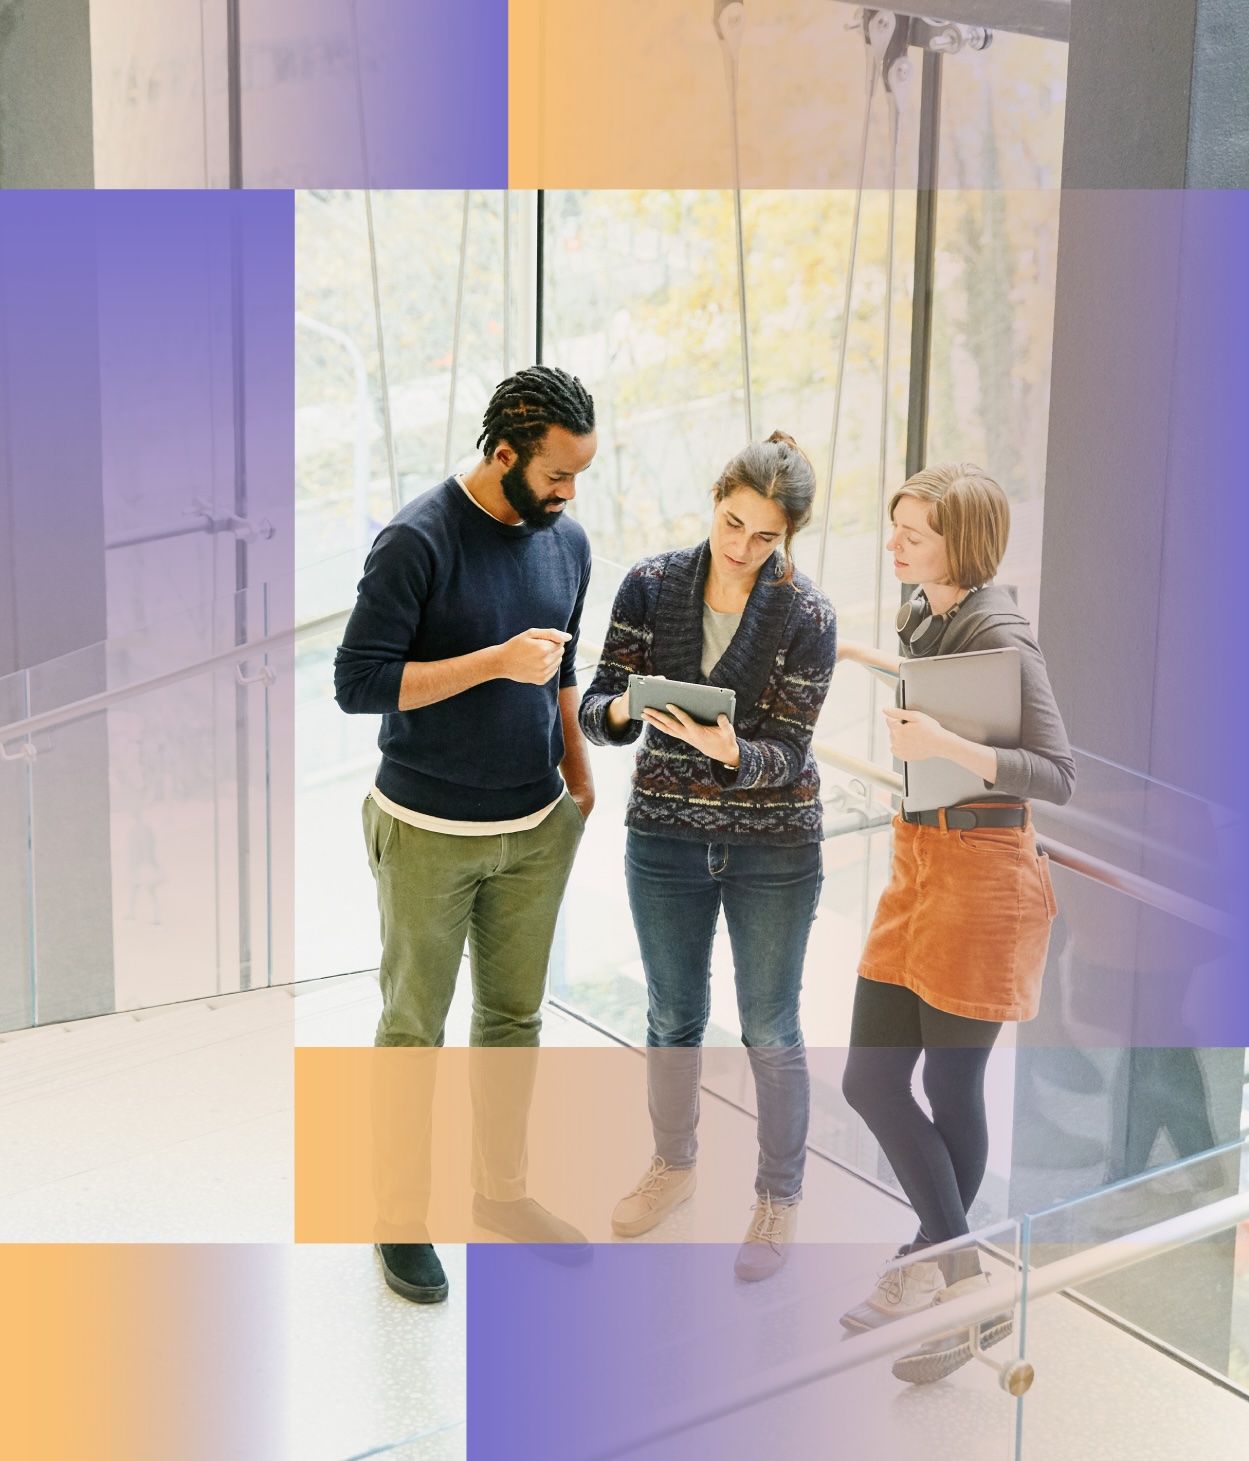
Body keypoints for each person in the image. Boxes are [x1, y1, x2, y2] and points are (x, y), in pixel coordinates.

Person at [333, 365, 598, 1304]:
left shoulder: (566, 542)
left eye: (578, 476)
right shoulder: (416, 539)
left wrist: (576, 761)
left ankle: (503, 1193)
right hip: (427, 831)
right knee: (414, 1030)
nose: (569, 494)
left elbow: (564, 665)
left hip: (535, 825)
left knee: (514, 1019)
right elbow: (358, 684)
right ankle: (399, 1217)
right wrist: (493, 662)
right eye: (557, 475)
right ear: (502, 454)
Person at [835, 462, 1074, 1383]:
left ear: (960, 544)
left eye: (913, 533)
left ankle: (935, 1273)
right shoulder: (925, 611)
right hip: (920, 861)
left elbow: (1054, 773)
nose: (893, 543)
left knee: (952, 1088)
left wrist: (938, 743)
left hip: (981, 874)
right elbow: (947, 686)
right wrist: (884, 665)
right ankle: (958, 1271)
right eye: (894, 525)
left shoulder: (1000, 626)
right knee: (869, 1079)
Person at [579, 431, 836, 1281]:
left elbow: (792, 750)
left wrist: (734, 755)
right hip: (664, 838)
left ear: (786, 537)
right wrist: (623, 717)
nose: (742, 547)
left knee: (769, 1027)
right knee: (670, 1015)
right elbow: (595, 702)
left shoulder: (808, 617)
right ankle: (674, 1165)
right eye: (732, 523)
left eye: (765, 537)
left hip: (775, 848)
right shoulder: (652, 586)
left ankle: (777, 1196)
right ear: (716, 497)